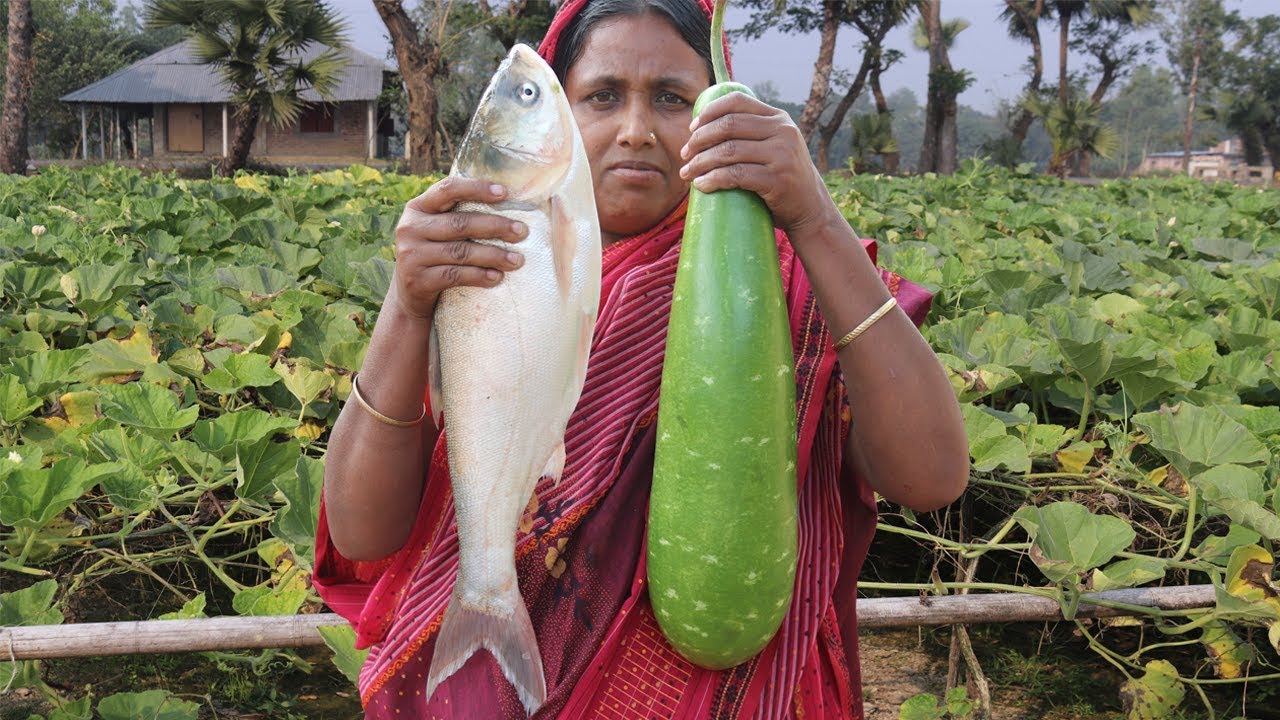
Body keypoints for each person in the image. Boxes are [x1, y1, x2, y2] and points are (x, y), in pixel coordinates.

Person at [315, 0, 969, 717]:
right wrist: (407, 307)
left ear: (718, 115)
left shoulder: (792, 281)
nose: (635, 130)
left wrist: (813, 215)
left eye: (670, 99)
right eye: (601, 96)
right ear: (558, 118)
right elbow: (361, 531)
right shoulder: (487, 278)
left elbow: (930, 477)